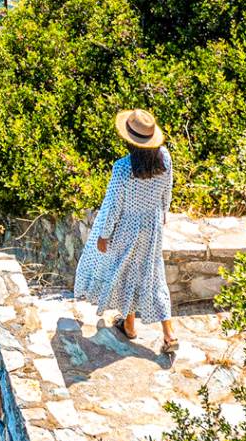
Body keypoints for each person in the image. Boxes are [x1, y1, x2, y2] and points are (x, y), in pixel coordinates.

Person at [73, 108, 178, 356]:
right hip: (151, 226)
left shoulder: (122, 168)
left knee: (125, 272)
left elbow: (112, 206)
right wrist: (163, 213)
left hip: (126, 228)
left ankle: (130, 326)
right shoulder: (165, 158)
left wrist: (104, 235)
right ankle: (166, 333)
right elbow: (167, 192)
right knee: (152, 275)